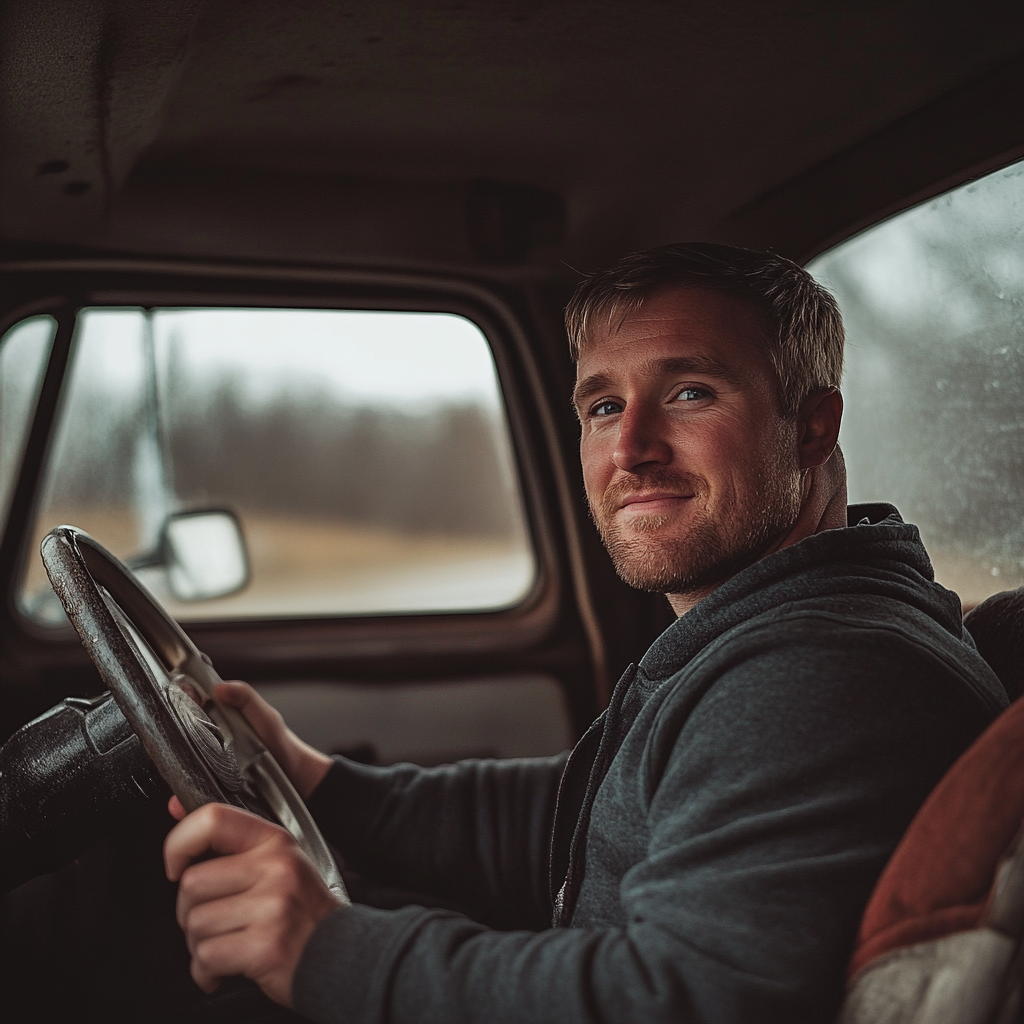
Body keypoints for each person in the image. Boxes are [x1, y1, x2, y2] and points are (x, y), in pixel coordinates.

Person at [164, 243, 1006, 1024]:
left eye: (689, 393)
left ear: (814, 425)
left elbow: (688, 1000)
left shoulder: (812, 674)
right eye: (604, 406)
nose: (631, 448)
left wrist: (330, 954)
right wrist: (326, 789)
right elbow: (583, 817)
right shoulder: (764, 634)